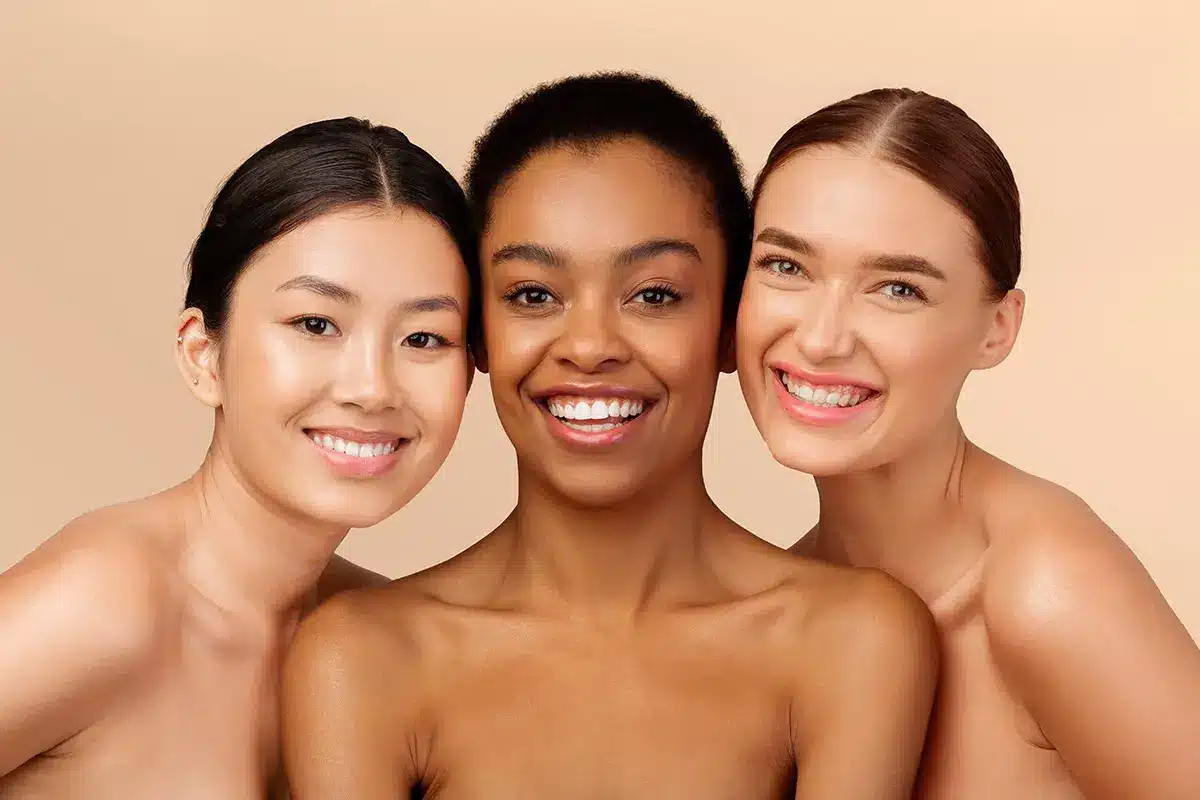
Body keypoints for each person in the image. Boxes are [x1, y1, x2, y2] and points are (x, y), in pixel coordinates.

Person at [281, 72, 938, 800]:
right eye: (533, 294)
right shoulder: (364, 658)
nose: (589, 345)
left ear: (729, 324)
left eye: (654, 295)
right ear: (478, 336)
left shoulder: (852, 639)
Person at [737, 87, 1200, 799]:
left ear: (997, 329)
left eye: (897, 289)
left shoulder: (1046, 592)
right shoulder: (787, 611)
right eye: (786, 267)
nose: (821, 338)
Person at [0, 117, 478, 799]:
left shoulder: (383, 637)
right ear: (203, 355)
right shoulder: (103, 604)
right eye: (316, 324)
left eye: (426, 338)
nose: (372, 387)